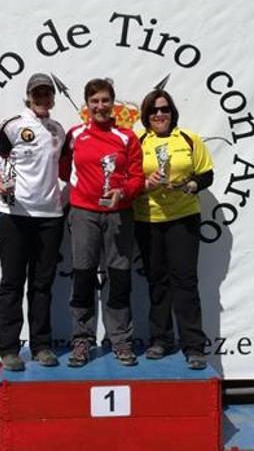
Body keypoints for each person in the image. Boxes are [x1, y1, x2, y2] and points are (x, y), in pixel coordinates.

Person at [0, 73, 66, 371]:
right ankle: (8, 349)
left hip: (50, 217)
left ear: (53, 98)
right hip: (14, 216)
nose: (42, 99)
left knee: (42, 285)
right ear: (29, 96)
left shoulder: (59, 130)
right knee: (12, 284)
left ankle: (41, 346)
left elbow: (68, 169)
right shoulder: (13, 125)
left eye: (47, 94)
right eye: (37, 94)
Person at [63, 78, 145, 367]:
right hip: (84, 213)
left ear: (113, 104)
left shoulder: (127, 137)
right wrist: (83, 192)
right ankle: (82, 340)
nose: (100, 106)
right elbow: (64, 169)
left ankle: (120, 340)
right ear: (87, 106)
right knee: (83, 275)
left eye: (105, 100)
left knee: (119, 277)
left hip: (119, 214)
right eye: (94, 101)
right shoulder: (74, 135)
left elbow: (138, 177)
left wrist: (122, 192)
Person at [133, 89, 214, 370]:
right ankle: (160, 340)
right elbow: (129, 179)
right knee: (157, 282)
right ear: (146, 115)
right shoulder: (138, 141)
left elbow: (206, 174)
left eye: (164, 109)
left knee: (185, 282)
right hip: (148, 219)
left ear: (172, 111)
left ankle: (194, 346)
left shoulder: (189, 139)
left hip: (183, 218)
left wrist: (191, 185)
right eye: (154, 110)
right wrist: (147, 184)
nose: (159, 114)